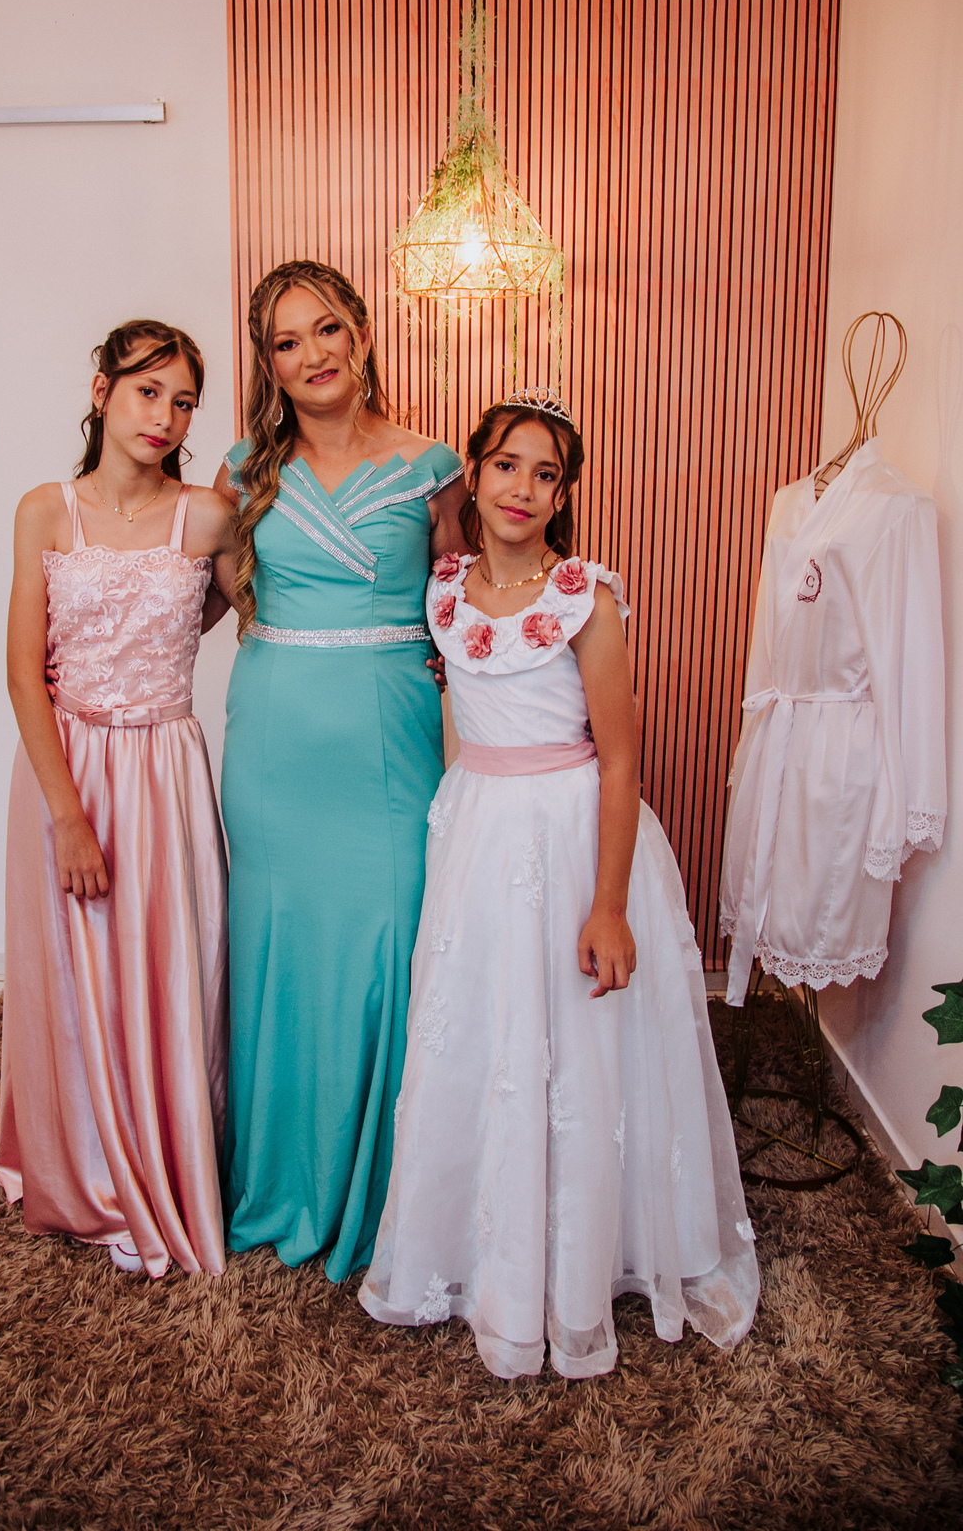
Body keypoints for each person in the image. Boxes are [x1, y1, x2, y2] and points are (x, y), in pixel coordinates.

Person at [359, 391, 759, 1378]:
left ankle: (584, 1254)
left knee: (579, 1046)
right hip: (481, 833)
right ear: (474, 474)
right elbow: (453, 710)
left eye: (546, 475)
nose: (523, 489)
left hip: (573, 834)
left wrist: (609, 905)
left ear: (564, 494)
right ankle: (477, 1245)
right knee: (484, 1032)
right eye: (506, 466)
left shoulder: (587, 597)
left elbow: (619, 761)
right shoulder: (443, 589)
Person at [214, 260, 466, 1282]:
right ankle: (283, 1175)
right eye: (287, 342)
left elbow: (467, 600)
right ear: (269, 365)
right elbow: (207, 595)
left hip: (389, 739)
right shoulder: (244, 470)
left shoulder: (432, 466)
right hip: (275, 742)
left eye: (326, 329)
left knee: (392, 944)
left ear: (360, 332)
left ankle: (392, 1188)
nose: (312, 354)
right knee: (281, 950)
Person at [0, 319, 238, 1278]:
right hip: (67, 768)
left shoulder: (207, 517)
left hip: (166, 769)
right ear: (101, 391)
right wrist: (67, 817)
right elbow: (23, 675)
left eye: (184, 402)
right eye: (147, 391)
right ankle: (84, 1166)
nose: (165, 416)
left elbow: (253, 613)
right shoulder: (45, 511)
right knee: (74, 967)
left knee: (170, 961)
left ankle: (170, 1155)